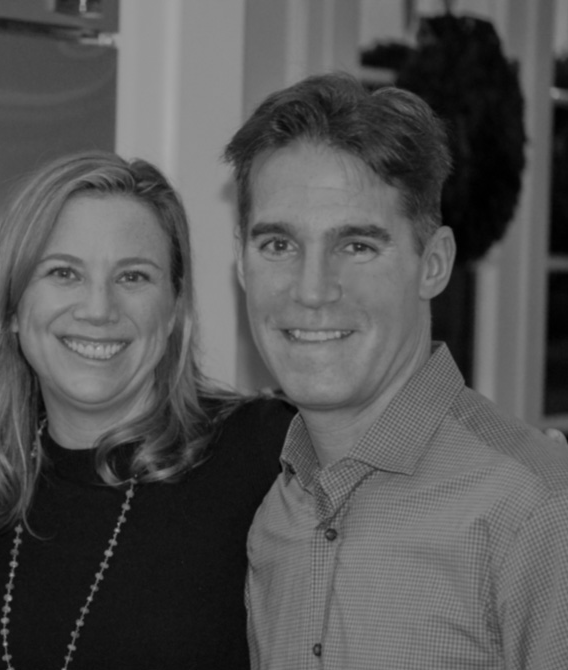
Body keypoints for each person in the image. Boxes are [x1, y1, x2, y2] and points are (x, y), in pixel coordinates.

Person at [223, 72, 568, 669]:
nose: (312, 290)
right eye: (279, 245)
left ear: (433, 263)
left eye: (357, 246)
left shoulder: (538, 509)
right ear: (240, 263)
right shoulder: (273, 518)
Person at [0, 151, 294, 669]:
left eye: (133, 277)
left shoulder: (267, 453)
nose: (98, 309)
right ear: (12, 308)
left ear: (174, 309)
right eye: (63, 272)